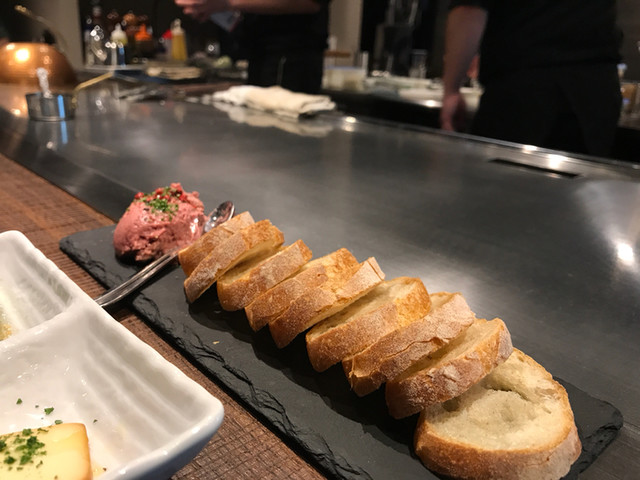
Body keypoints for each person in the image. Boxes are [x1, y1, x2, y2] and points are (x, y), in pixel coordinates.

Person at [440, 1, 623, 158]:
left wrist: (452, 89)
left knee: (503, 182)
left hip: (525, 90)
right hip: (596, 93)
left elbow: (469, 9)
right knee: (580, 184)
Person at [175, 0, 330, 94]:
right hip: (259, 56)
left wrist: (226, 3)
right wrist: (213, 8)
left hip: (289, 60)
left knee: (281, 135)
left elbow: (312, 3)